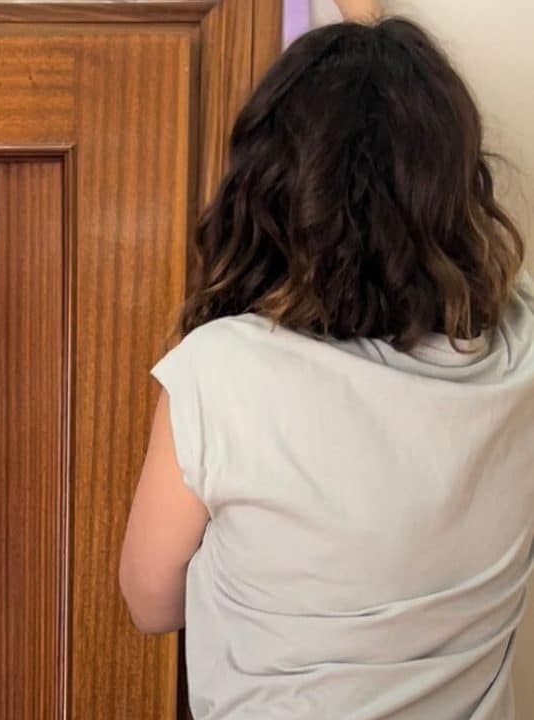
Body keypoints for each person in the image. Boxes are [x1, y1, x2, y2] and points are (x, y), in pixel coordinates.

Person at [118, 1, 533, 717]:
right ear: (457, 185)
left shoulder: (222, 376)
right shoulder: (519, 357)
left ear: (270, 190)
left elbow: (150, 602)